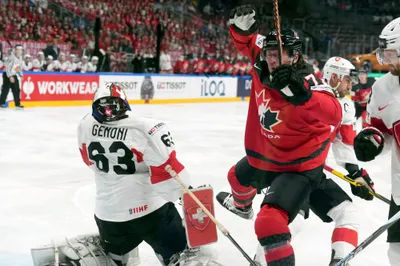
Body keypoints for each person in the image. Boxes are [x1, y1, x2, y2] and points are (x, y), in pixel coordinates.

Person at [218, 56, 376, 266]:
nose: (351, 84)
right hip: (290, 168)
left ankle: (338, 261)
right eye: (348, 79)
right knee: (288, 220)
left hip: (310, 172)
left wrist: (356, 174)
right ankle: (259, 251)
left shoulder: (345, 106)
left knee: (342, 215)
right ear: (336, 78)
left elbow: (343, 145)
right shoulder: (304, 93)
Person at [216, 5, 342, 266]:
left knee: (269, 222)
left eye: (280, 54)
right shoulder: (262, 57)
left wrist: (303, 94)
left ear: (295, 57)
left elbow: (334, 113)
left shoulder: (310, 79)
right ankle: (242, 207)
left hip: (298, 165)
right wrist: (240, 29)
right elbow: (247, 40)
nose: (272, 59)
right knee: (235, 179)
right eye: (270, 53)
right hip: (265, 157)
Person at [77, 83, 216, 266]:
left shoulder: (85, 125)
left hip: (108, 216)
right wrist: (188, 194)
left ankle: (117, 257)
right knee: (179, 252)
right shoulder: (145, 128)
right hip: (150, 214)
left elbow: (90, 162)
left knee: (116, 256)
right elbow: (166, 177)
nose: (109, 111)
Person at [354, 17, 400, 266]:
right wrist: (373, 143)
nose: (386, 61)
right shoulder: (382, 88)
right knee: (396, 252)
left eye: (391, 54)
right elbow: (381, 134)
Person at [0, 44, 24, 109]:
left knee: (16, 89)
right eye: (18, 50)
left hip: (13, 74)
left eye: (21, 50)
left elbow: (18, 67)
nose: (19, 51)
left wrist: (21, 75)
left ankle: (17, 104)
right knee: (5, 89)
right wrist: (10, 76)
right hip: (7, 74)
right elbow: (7, 67)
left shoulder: (20, 57)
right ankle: (1, 103)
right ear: (16, 50)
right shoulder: (12, 57)